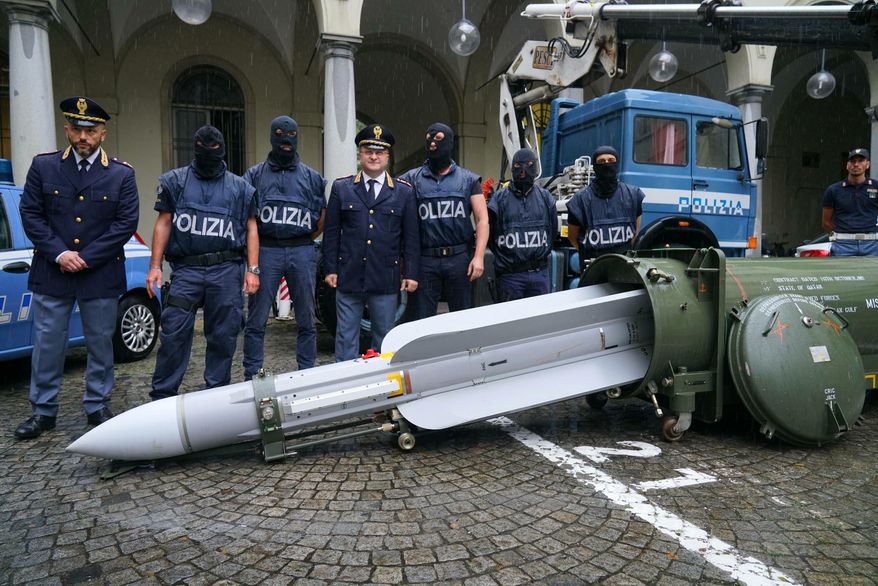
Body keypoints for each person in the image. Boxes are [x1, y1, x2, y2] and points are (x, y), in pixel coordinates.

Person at [14, 97, 139, 439]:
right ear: (67, 130)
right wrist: (59, 253)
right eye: (77, 129)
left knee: (100, 343)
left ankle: (97, 404)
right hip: (53, 272)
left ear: (103, 134)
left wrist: (87, 257)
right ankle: (43, 410)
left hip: (98, 273)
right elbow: (31, 215)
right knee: (47, 344)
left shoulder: (120, 174)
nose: (83, 136)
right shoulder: (45, 167)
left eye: (91, 130)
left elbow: (126, 222)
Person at [146, 125, 259, 400]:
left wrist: (253, 270)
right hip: (187, 270)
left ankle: (216, 396)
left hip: (226, 269)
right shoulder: (175, 181)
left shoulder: (241, 188)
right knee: (174, 335)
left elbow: (251, 228)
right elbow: (164, 223)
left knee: (224, 336)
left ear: (222, 152)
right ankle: (162, 396)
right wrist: (155, 266)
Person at [322, 124, 420, 361]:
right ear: (360, 154)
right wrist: (330, 269)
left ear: (387, 157)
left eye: (379, 152)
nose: (373, 156)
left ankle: (382, 387)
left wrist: (412, 273)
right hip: (349, 274)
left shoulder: (404, 192)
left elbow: (412, 237)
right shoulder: (342, 188)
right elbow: (332, 232)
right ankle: (344, 385)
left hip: (385, 275)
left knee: (384, 337)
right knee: (345, 336)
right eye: (368, 151)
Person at [242, 116, 326, 378]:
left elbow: (321, 216)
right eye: (279, 134)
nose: (286, 140)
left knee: (306, 318)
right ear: (271, 136)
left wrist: (303, 239)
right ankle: (252, 376)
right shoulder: (254, 175)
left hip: (302, 250)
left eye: (291, 134)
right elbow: (248, 219)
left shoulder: (312, 177)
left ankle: (306, 375)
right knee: (256, 320)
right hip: (266, 250)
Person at [400, 123, 488, 318]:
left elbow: (482, 219)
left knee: (462, 318)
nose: (432, 143)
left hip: (459, 259)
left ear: (449, 142)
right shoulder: (410, 179)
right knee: (421, 320)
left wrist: (479, 256)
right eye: (429, 138)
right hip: (425, 260)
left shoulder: (469, 180)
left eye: (438, 139)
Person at [487, 148, 557, 301]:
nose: (523, 170)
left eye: (529, 164)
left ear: (535, 168)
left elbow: (553, 231)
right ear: (512, 168)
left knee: (538, 322)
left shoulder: (546, 198)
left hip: (539, 274)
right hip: (510, 276)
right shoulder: (499, 198)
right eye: (518, 165)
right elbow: (489, 234)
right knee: (510, 322)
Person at [566, 145, 645, 265]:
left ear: (617, 164)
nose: (607, 164)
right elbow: (573, 237)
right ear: (595, 166)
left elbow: (636, 232)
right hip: (592, 268)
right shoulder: (579, 200)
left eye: (611, 161)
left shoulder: (633, 195)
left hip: (624, 267)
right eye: (601, 161)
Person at [821, 148, 878, 256]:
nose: (856, 165)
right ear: (847, 165)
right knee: (842, 273)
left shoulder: (876, 187)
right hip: (843, 245)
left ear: (868, 164)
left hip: (873, 245)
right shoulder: (833, 190)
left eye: (861, 161)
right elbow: (826, 222)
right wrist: (840, 236)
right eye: (852, 161)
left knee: (873, 273)